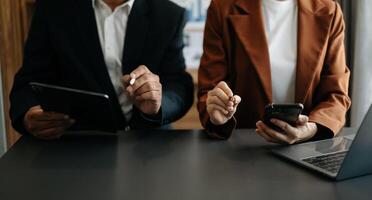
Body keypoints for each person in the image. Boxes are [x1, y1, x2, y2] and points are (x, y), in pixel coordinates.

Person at [10, 0, 194, 139]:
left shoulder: (169, 15)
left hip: (149, 147)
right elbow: (28, 82)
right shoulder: (54, 9)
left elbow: (178, 85)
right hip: (78, 148)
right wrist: (29, 113)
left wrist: (158, 105)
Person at [198, 0, 351, 144]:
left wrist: (312, 128)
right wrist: (217, 113)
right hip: (242, 148)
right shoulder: (222, 7)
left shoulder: (328, 10)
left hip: (306, 149)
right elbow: (210, 90)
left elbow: (336, 95)